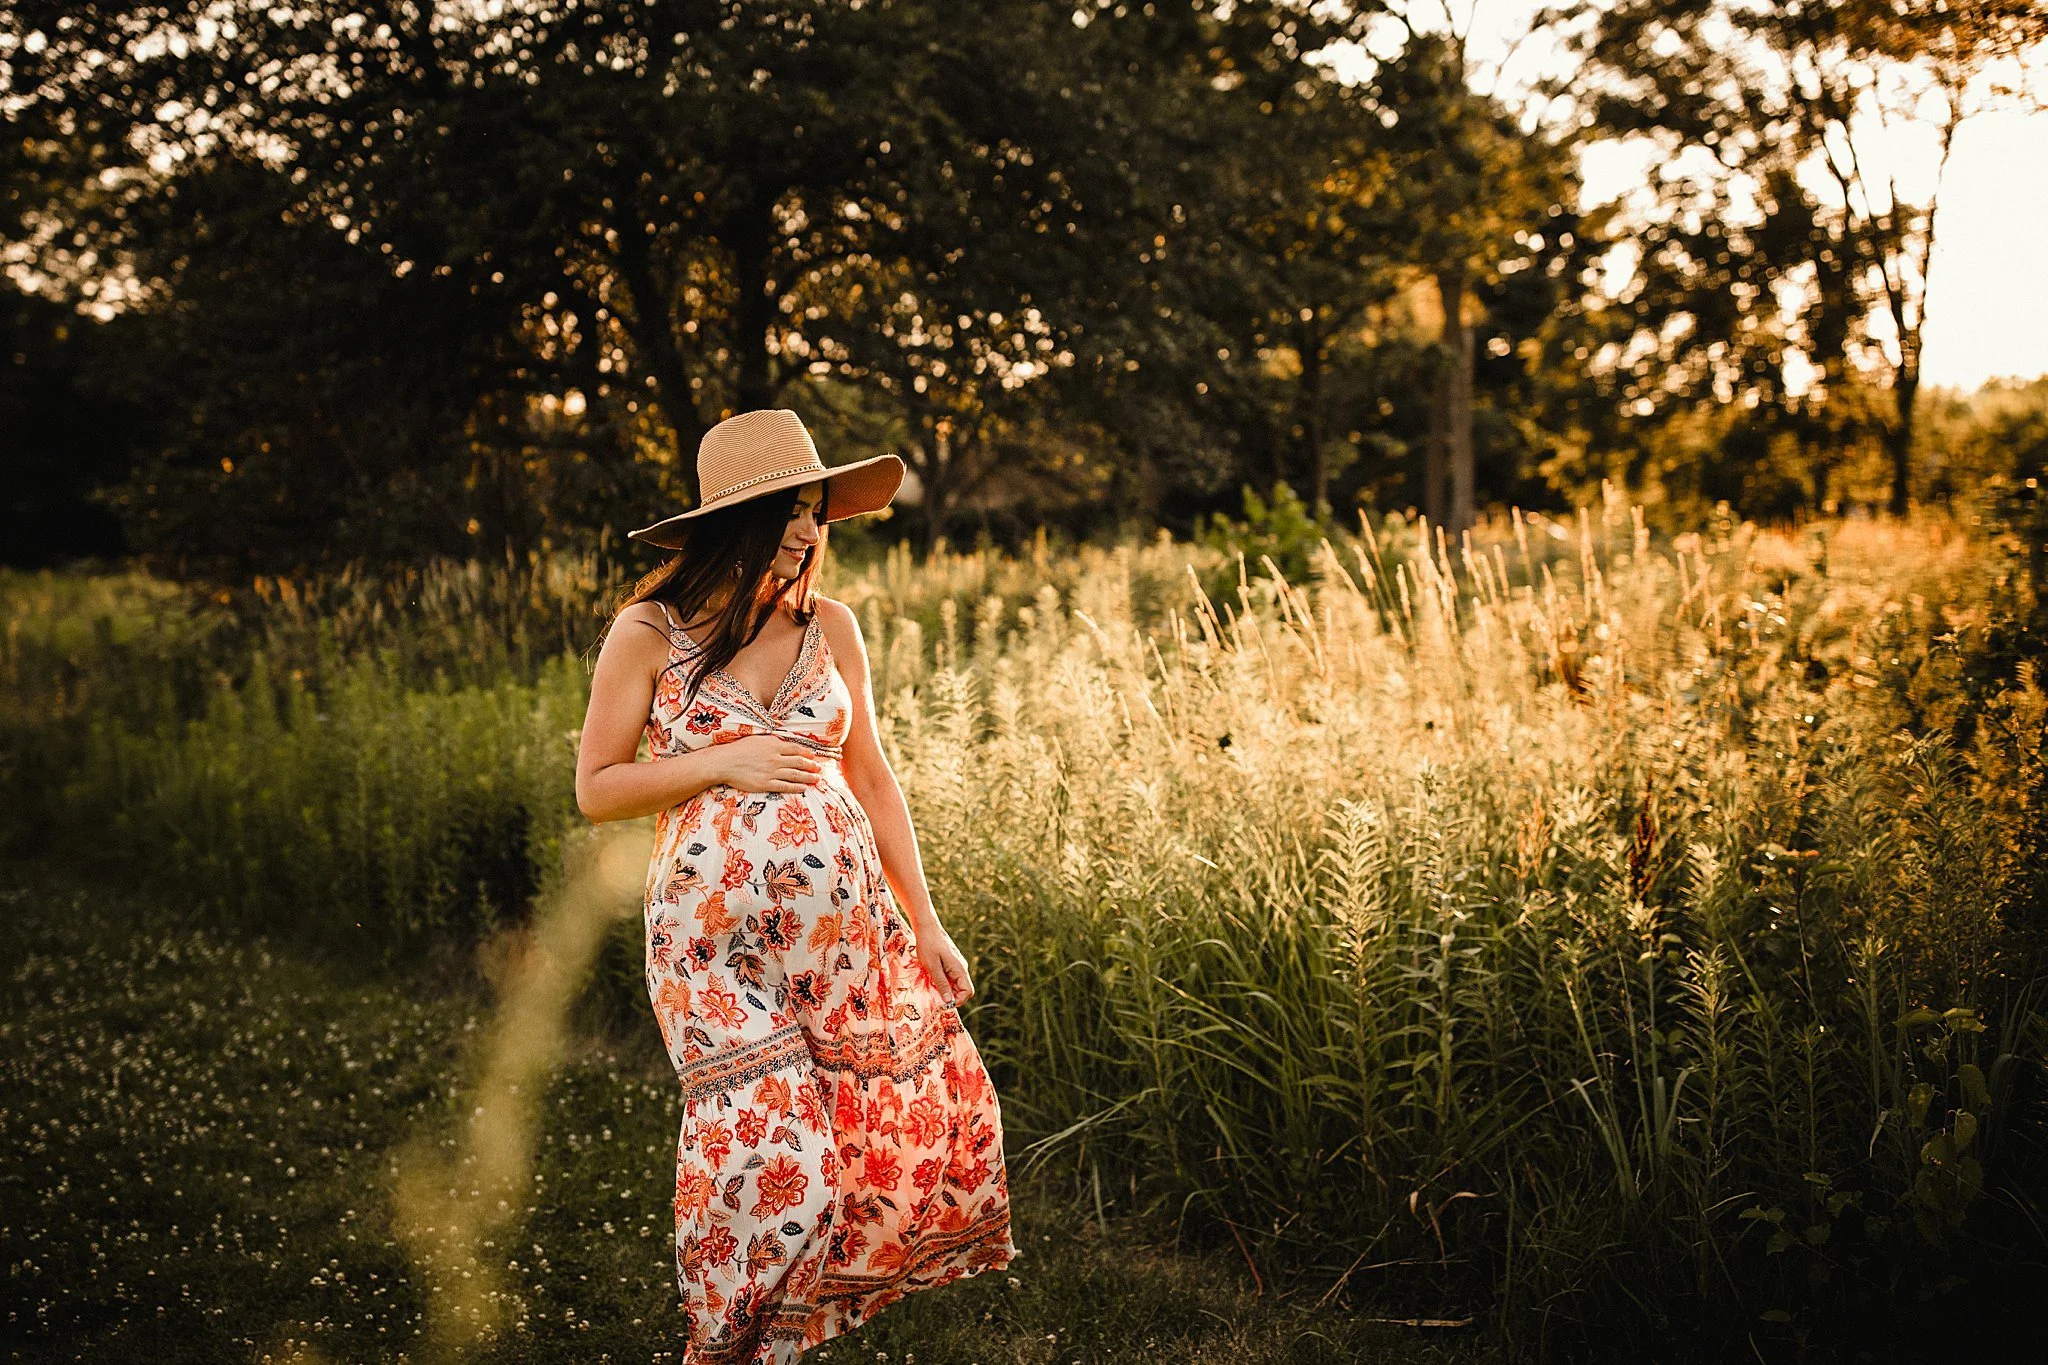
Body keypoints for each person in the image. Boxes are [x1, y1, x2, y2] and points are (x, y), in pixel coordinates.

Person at [573, 409, 1017, 1362]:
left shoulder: (832, 627)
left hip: (846, 946)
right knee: (778, 1163)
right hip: (711, 950)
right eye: (792, 512)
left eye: (817, 511)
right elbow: (597, 787)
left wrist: (925, 921)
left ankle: (765, 1347)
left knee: (856, 1163)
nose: (813, 533)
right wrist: (723, 762)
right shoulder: (646, 631)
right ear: (738, 518)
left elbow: (874, 779)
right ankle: (721, 1345)